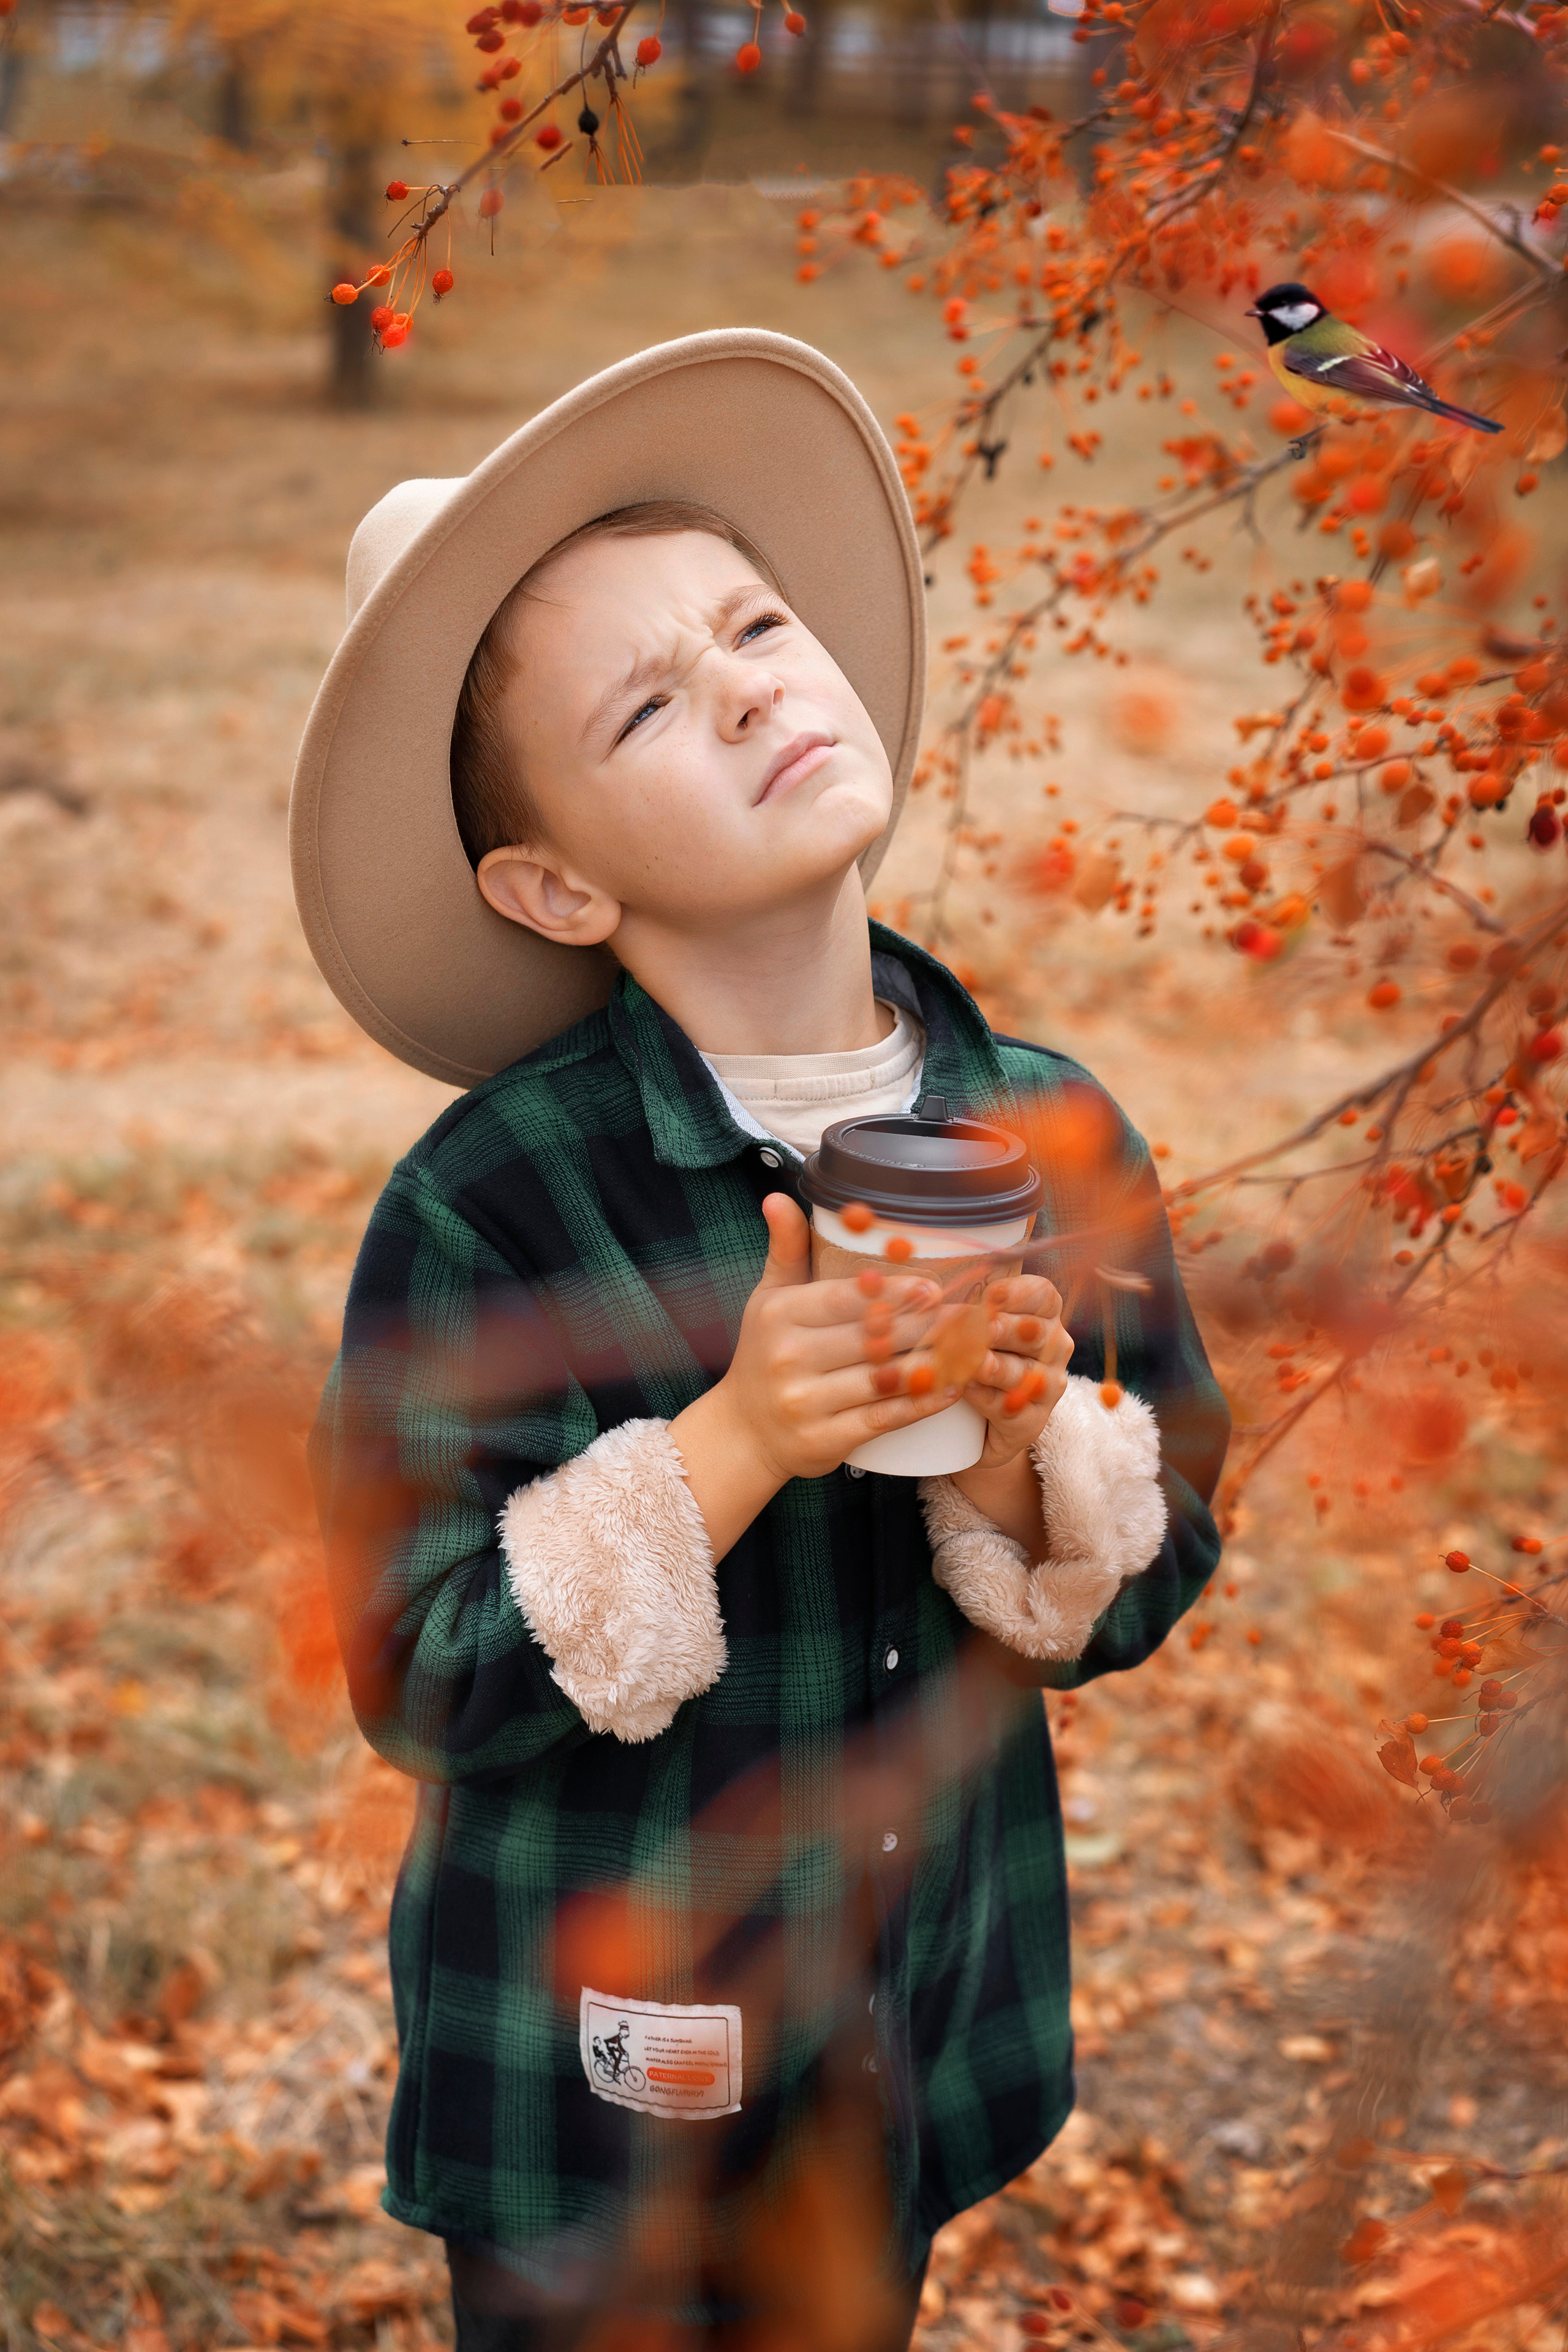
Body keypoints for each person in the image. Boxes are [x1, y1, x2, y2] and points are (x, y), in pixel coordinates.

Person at [294, 330, 1230, 2351]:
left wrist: (1022, 1460)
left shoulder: (1045, 1127)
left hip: (905, 2015)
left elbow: (1159, 1566)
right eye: (646, 703)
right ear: (553, 883)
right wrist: (730, 1444)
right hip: (600, 2092)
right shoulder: (499, 1199)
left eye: (753, 626)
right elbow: (413, 1668)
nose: (741, 687)